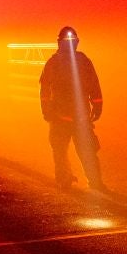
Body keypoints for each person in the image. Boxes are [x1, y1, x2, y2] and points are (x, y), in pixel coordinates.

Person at [39, 26, 106, 191]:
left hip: (66, 117)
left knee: (64, 151)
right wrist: (97, 106)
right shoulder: (81, 61)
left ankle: (70, 180)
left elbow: (45, 89)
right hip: (71, 117)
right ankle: (88, 181)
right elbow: (45, 90)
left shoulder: (55, 62)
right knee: (77, 152)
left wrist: (46, 110)